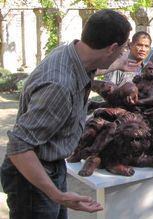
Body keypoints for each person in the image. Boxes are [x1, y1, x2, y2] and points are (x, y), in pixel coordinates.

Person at [0, 9, 132, 218]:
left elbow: (89, 67)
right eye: (124, 47)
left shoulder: (73, 52)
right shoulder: (59, 86)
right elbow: (19, 147)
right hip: (31, 175)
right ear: (112, 48)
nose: (125, 52)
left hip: (52, 164)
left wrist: (118, 64)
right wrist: (57, 195)